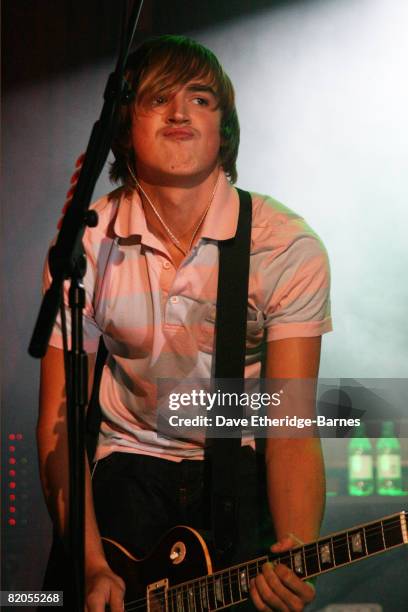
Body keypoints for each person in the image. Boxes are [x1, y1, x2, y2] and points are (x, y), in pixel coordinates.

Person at [37, 35, 332, 612]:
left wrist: (294, 548)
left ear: (226, 128)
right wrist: (92, 566)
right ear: (124, 128)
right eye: (156, 99)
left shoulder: (285, 246)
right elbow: (59, 423)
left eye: (200, 99)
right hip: (123, 465)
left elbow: (289, 424)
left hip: (234, 463)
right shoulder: (87, 243)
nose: (178, 112)